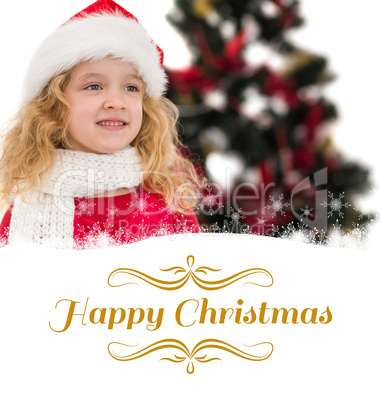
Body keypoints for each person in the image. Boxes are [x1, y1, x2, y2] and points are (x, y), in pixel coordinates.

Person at [0, 0, 205, 249]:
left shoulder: (169, 205)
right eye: (94, 86)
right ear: (54, 105)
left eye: (131, 87)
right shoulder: (27, 208)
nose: (117, 102)